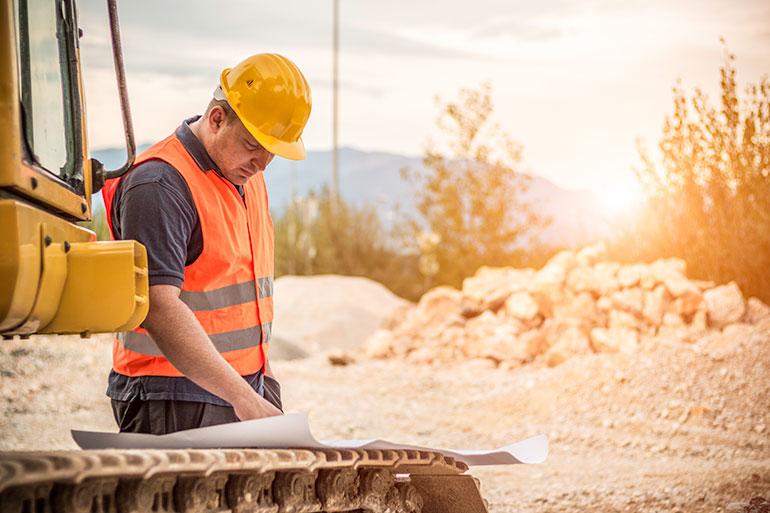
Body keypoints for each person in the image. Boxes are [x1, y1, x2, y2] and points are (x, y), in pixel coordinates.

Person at [100, 54, 312, 435]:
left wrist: (265, 384)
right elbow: (160, 307)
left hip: (238, 388)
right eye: (252, 145)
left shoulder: (244, 176)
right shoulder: (159, 185)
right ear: (217, 119)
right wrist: (244, 399)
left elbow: (240, 294)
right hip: (171, 395)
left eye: (272, 152)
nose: (262, 163)